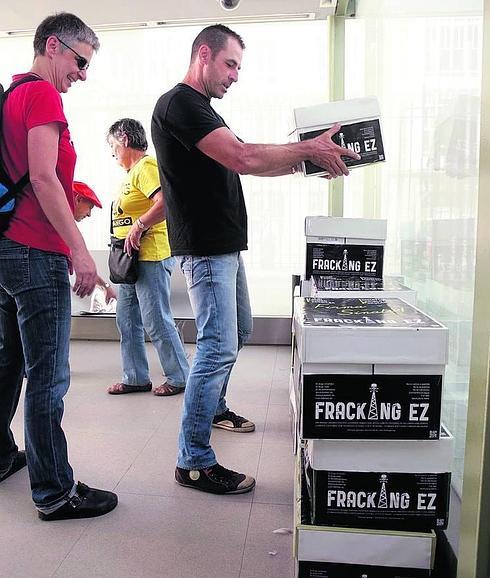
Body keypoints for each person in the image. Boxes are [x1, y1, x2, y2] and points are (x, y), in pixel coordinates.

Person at [151, 24, 360, 496]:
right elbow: (243, 157)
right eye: (230, 64)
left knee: (238, 331)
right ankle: (194, 460)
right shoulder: (179, 104)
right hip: (205, 250)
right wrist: (309, 149)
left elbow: (253, 161)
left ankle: (215, 405)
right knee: (217, 345)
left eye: (239, 68)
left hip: (222, 245)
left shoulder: (202, 109)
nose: (235, 76)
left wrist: (309, 161)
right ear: (203, 55)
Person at [0, 12, 117, 520]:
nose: (82, 74)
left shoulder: (11, 94)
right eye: (80, 61)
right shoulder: (43, 95)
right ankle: (54, 492)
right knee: (48, 377)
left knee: (8, 366)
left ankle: (2, 456)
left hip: (5, 251)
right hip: (35, 252)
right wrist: (79, 250)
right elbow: (46, 181)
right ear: (54, 46)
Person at [106, 118, 189, 397]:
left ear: (125, 139)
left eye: (113, 145)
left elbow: (165, 201)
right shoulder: (130, 174)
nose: (113, 152)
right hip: (131, 259)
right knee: (126, 319)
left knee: (155, 319)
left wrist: (139, 226)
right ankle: (136, 377)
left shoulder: (146, 167)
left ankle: (180, 376)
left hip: (150, 255)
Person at [73, 180, 117, 303]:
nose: (89, 215)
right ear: (78, 199)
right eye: (90, 207)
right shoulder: (60, 226)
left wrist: (105, 286)